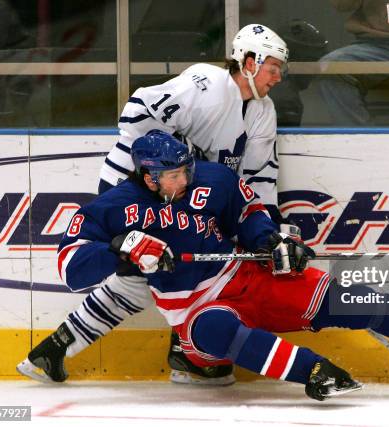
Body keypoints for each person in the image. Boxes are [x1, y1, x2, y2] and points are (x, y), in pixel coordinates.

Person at [17, 131, 389, 401]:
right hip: (191, 310)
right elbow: (70, 267)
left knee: (355, 302)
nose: (184, 180)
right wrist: (121, 250)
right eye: (172, 175)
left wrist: (271, 241)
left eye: (185, 169)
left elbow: (251, 213)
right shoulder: (113, 207)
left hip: (248, 276)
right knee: (212, 334)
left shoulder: (210, 179)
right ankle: (317, 372)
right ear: (147, 176)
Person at [36, 23, 289, 386]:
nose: (278, 77)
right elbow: (137, 111)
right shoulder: (207, 82)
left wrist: (270, 231)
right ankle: (184, 354)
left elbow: (258, 178)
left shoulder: (263, 112)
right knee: (153, 271)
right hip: (138, 188)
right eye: (273, 67)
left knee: (161, 273)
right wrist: (161, 168)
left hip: (183, 195)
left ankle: (57, 349)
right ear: (248, 60)